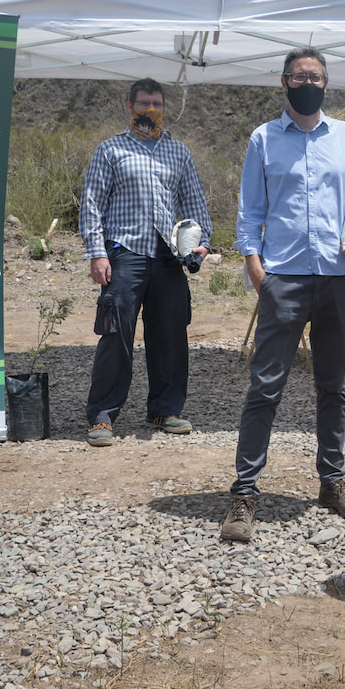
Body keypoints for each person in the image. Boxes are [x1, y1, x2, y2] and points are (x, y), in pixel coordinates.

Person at [222, 47, 345, 543]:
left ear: (326, 83)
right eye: (299, 77)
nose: (308, 83)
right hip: (284, 278)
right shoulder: (264, 138)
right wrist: (255, 266)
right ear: (284, 82)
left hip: (337, 276)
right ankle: (244, 492)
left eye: (315, 77)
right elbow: (251, 210)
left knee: (333, 386)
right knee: (265, 387)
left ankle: (332, 481)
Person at [79, 79, 211, 444]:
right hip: (124, 253)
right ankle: (102, 416)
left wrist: (202, 242)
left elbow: (194, 202)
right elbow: (92, 203)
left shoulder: (179, 152)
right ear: (130, 106)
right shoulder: (110, 150)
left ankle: (165, 410)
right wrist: (97, 253)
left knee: (170, 335)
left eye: (157, 103)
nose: (150, 109)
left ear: (164, 108)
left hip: (168, 255)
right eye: (143, 103)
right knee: (116, 335)